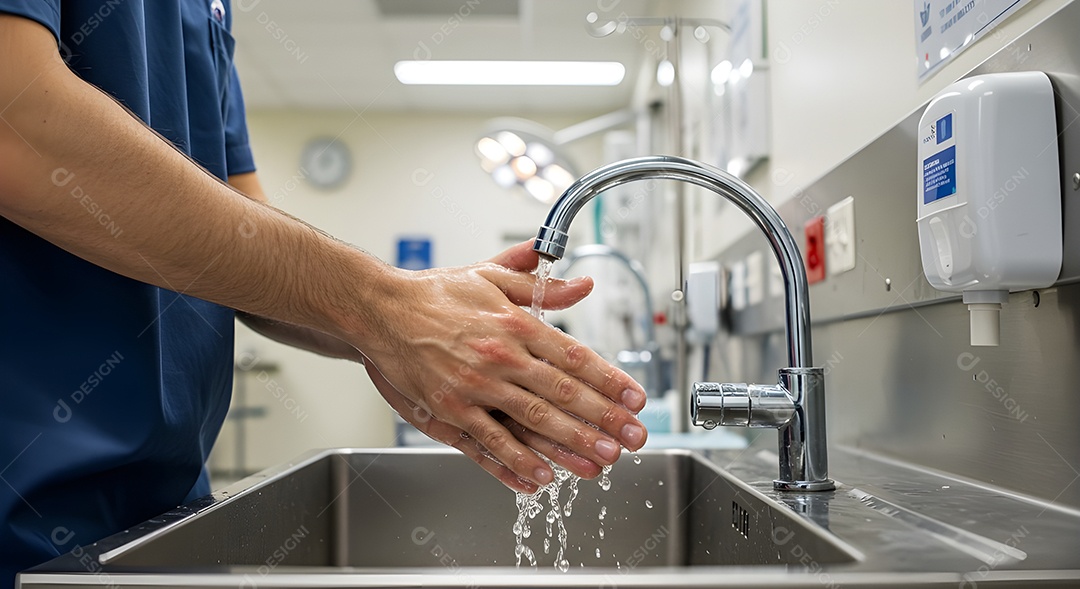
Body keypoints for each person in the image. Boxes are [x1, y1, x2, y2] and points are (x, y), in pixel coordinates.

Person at [0, 1, 648, 585]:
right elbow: (16, 121)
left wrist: (413, 317)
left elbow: (239, 242)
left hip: (160, 519)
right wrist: (386, 306)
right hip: (22, 512)